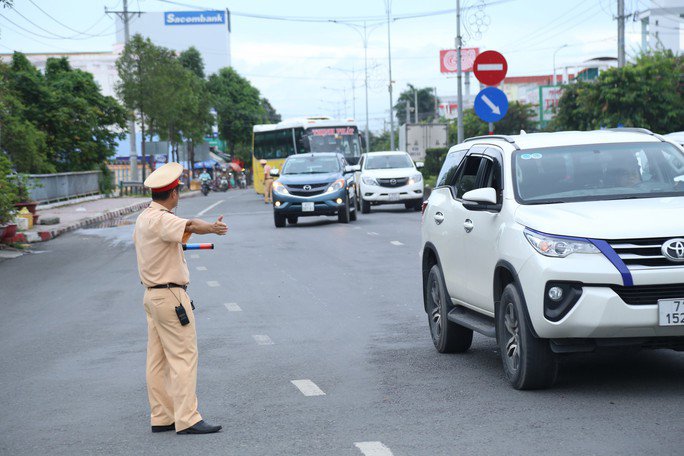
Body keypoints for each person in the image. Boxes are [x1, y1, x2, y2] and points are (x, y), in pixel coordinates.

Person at [133, 162, 228, 435]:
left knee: (157, 360)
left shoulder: (144, 218)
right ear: (173, 194)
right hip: (171, 296)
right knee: (184, 357)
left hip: (152, 297)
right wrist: (211, 227)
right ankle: (187, 418)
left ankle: (162, 416)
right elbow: (189, 225)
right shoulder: (163, 219)